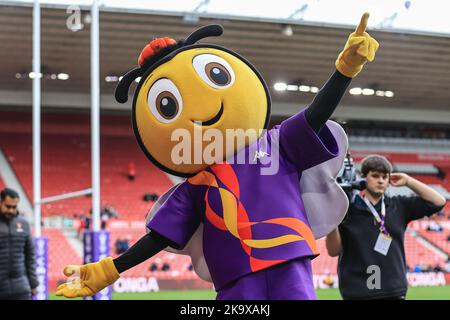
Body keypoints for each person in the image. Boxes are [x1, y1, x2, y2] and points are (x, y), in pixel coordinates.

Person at [56, 14, 379, 300]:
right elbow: (160, 237)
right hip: (235, 274)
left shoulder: (277, 144)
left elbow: (316, 113)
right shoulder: (197, 184)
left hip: (288, 260)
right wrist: (110, 268)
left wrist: (344, 70)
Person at [326, 155, 446, 300]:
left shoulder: (399, 206)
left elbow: (438, 202)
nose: (381, 180)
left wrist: (408, 181)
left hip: (393, 290)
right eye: (375, 176)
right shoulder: (346, 209)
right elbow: (333, 251)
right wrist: (332, 219)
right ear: (363, 178)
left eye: (385, 176)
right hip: (357, 292)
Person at [0, 188, 39, 300]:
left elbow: (30, 256)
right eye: (8, 206)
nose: (11, 210)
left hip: (21, 287)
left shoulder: (24, 224)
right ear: (1, 202)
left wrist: (33, 283)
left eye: (14, 207)